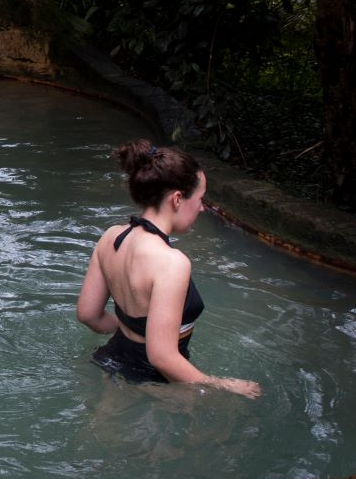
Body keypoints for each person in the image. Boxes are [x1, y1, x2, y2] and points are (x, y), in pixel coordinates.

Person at [75, 140, 262, 398]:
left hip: (108, 360)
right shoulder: (171, 262)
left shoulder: (111, 237)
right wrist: (223, 385)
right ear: (177, 199)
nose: (202, 207)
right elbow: (162, 357)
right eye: (199, 198)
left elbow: (88, 314)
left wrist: (132, 333)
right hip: (152, 385)